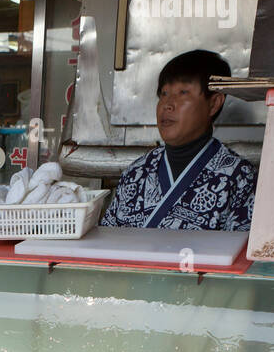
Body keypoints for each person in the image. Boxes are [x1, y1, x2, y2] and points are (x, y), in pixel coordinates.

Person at [100, 50, 256, 230]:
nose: (167, 104)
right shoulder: (136, 172)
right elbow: (108, 239)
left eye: (183, 92)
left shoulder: (239, 177)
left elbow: (242, 252)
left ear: (213, 103)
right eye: (164, 93)